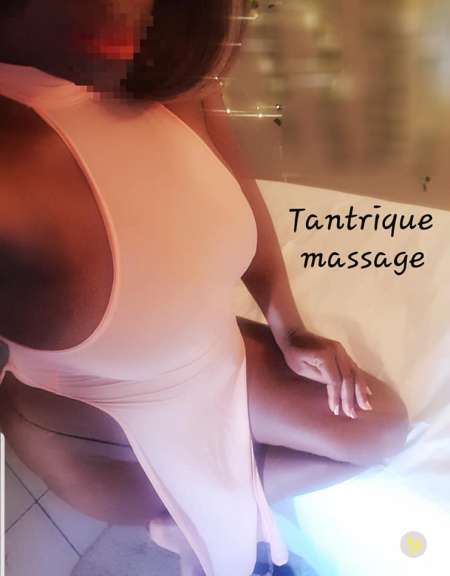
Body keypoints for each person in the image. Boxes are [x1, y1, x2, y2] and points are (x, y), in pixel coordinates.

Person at [0, 1, 410, 575]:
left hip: (216, 360)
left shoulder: (161, 69)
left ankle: (197, 521)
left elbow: (236, 195)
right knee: (210, 517)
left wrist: (289, 327)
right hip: (106, 435)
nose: (126, 9)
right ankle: (197, 519)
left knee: (381, 430)